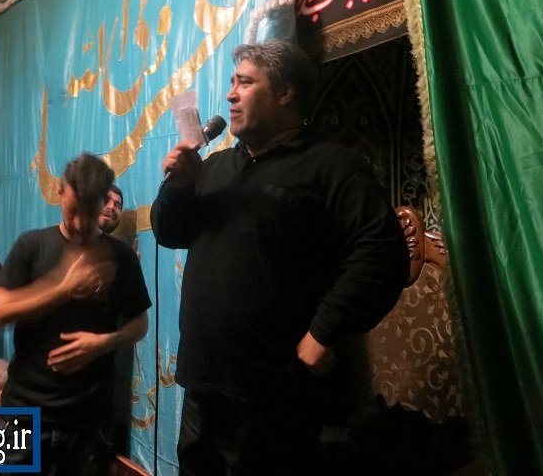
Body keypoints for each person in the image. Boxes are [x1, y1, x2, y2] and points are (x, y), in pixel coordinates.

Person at [151, 39, 410, 475]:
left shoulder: (330, 166)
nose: (230, 95)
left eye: (245, 83)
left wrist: (324, 331)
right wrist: (178, 188)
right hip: (203, 382)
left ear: (286, 92)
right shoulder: (215, 167)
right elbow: (170, 233)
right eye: (232, 83)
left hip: (274, 394)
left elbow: (382, 253)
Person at [0, 153, 152, 475]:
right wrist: (61, 288)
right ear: (60, 192)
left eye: (88, 214)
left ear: (104, 202)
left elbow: (140, 324)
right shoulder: (32, 245)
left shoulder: (121, 257)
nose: (79, 224)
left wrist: (103, 343)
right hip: (25, 416)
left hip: (89, 422)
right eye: (73, 211)